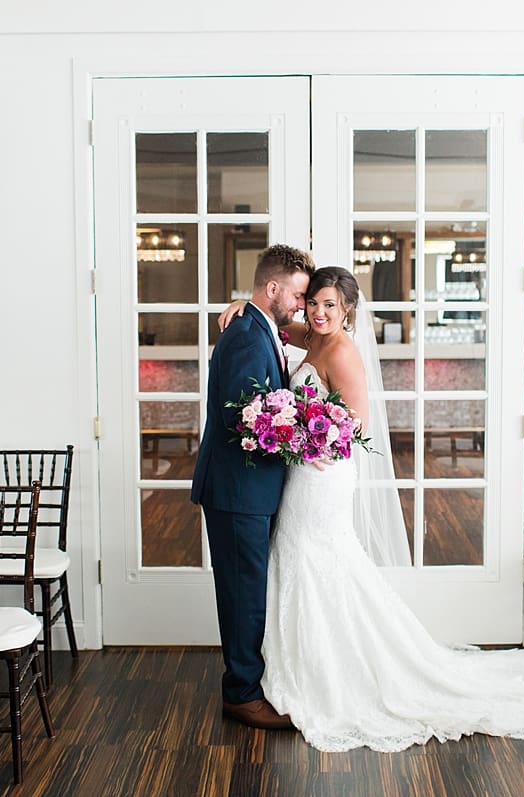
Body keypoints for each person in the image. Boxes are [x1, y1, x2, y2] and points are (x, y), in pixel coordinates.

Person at [218, 266, 524, 752]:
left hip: (322, 477)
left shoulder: (343, 352)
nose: (317, 311)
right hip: (299, 476)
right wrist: (235, 306)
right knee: (295, 561)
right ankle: (296, 668)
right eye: (312, 302)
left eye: (329, 305)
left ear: (348, 310)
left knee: (322, 562)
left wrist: (309, 442)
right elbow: (266, 322)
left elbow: (354, 427)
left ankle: (340, 676)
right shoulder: (309, 337)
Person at [191, 243, 315, 730]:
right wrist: (300, 440)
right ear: (273, 288)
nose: (302, 306)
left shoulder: (259, 326)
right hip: (238, 490)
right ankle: (241, 694)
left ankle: (248, 683)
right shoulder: (247, 335)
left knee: (248, 591)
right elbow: (242, 420)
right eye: (299, 295)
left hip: (247, 491)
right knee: (243, 594)